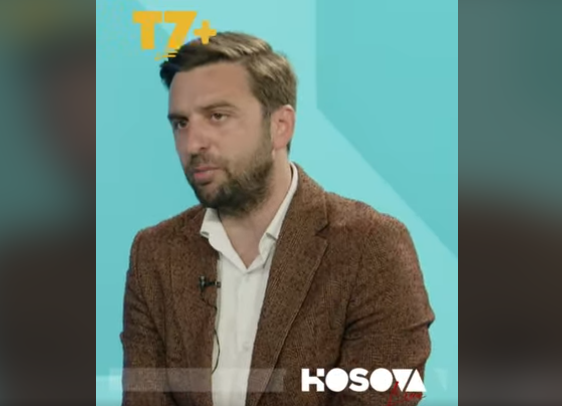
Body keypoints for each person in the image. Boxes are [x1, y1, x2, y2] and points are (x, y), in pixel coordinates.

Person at [121, 31, 434, 406]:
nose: (193, 144)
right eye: (181, 123)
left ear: (280, 126)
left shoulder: (371, 246)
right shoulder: (154, 254)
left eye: (218, 116)